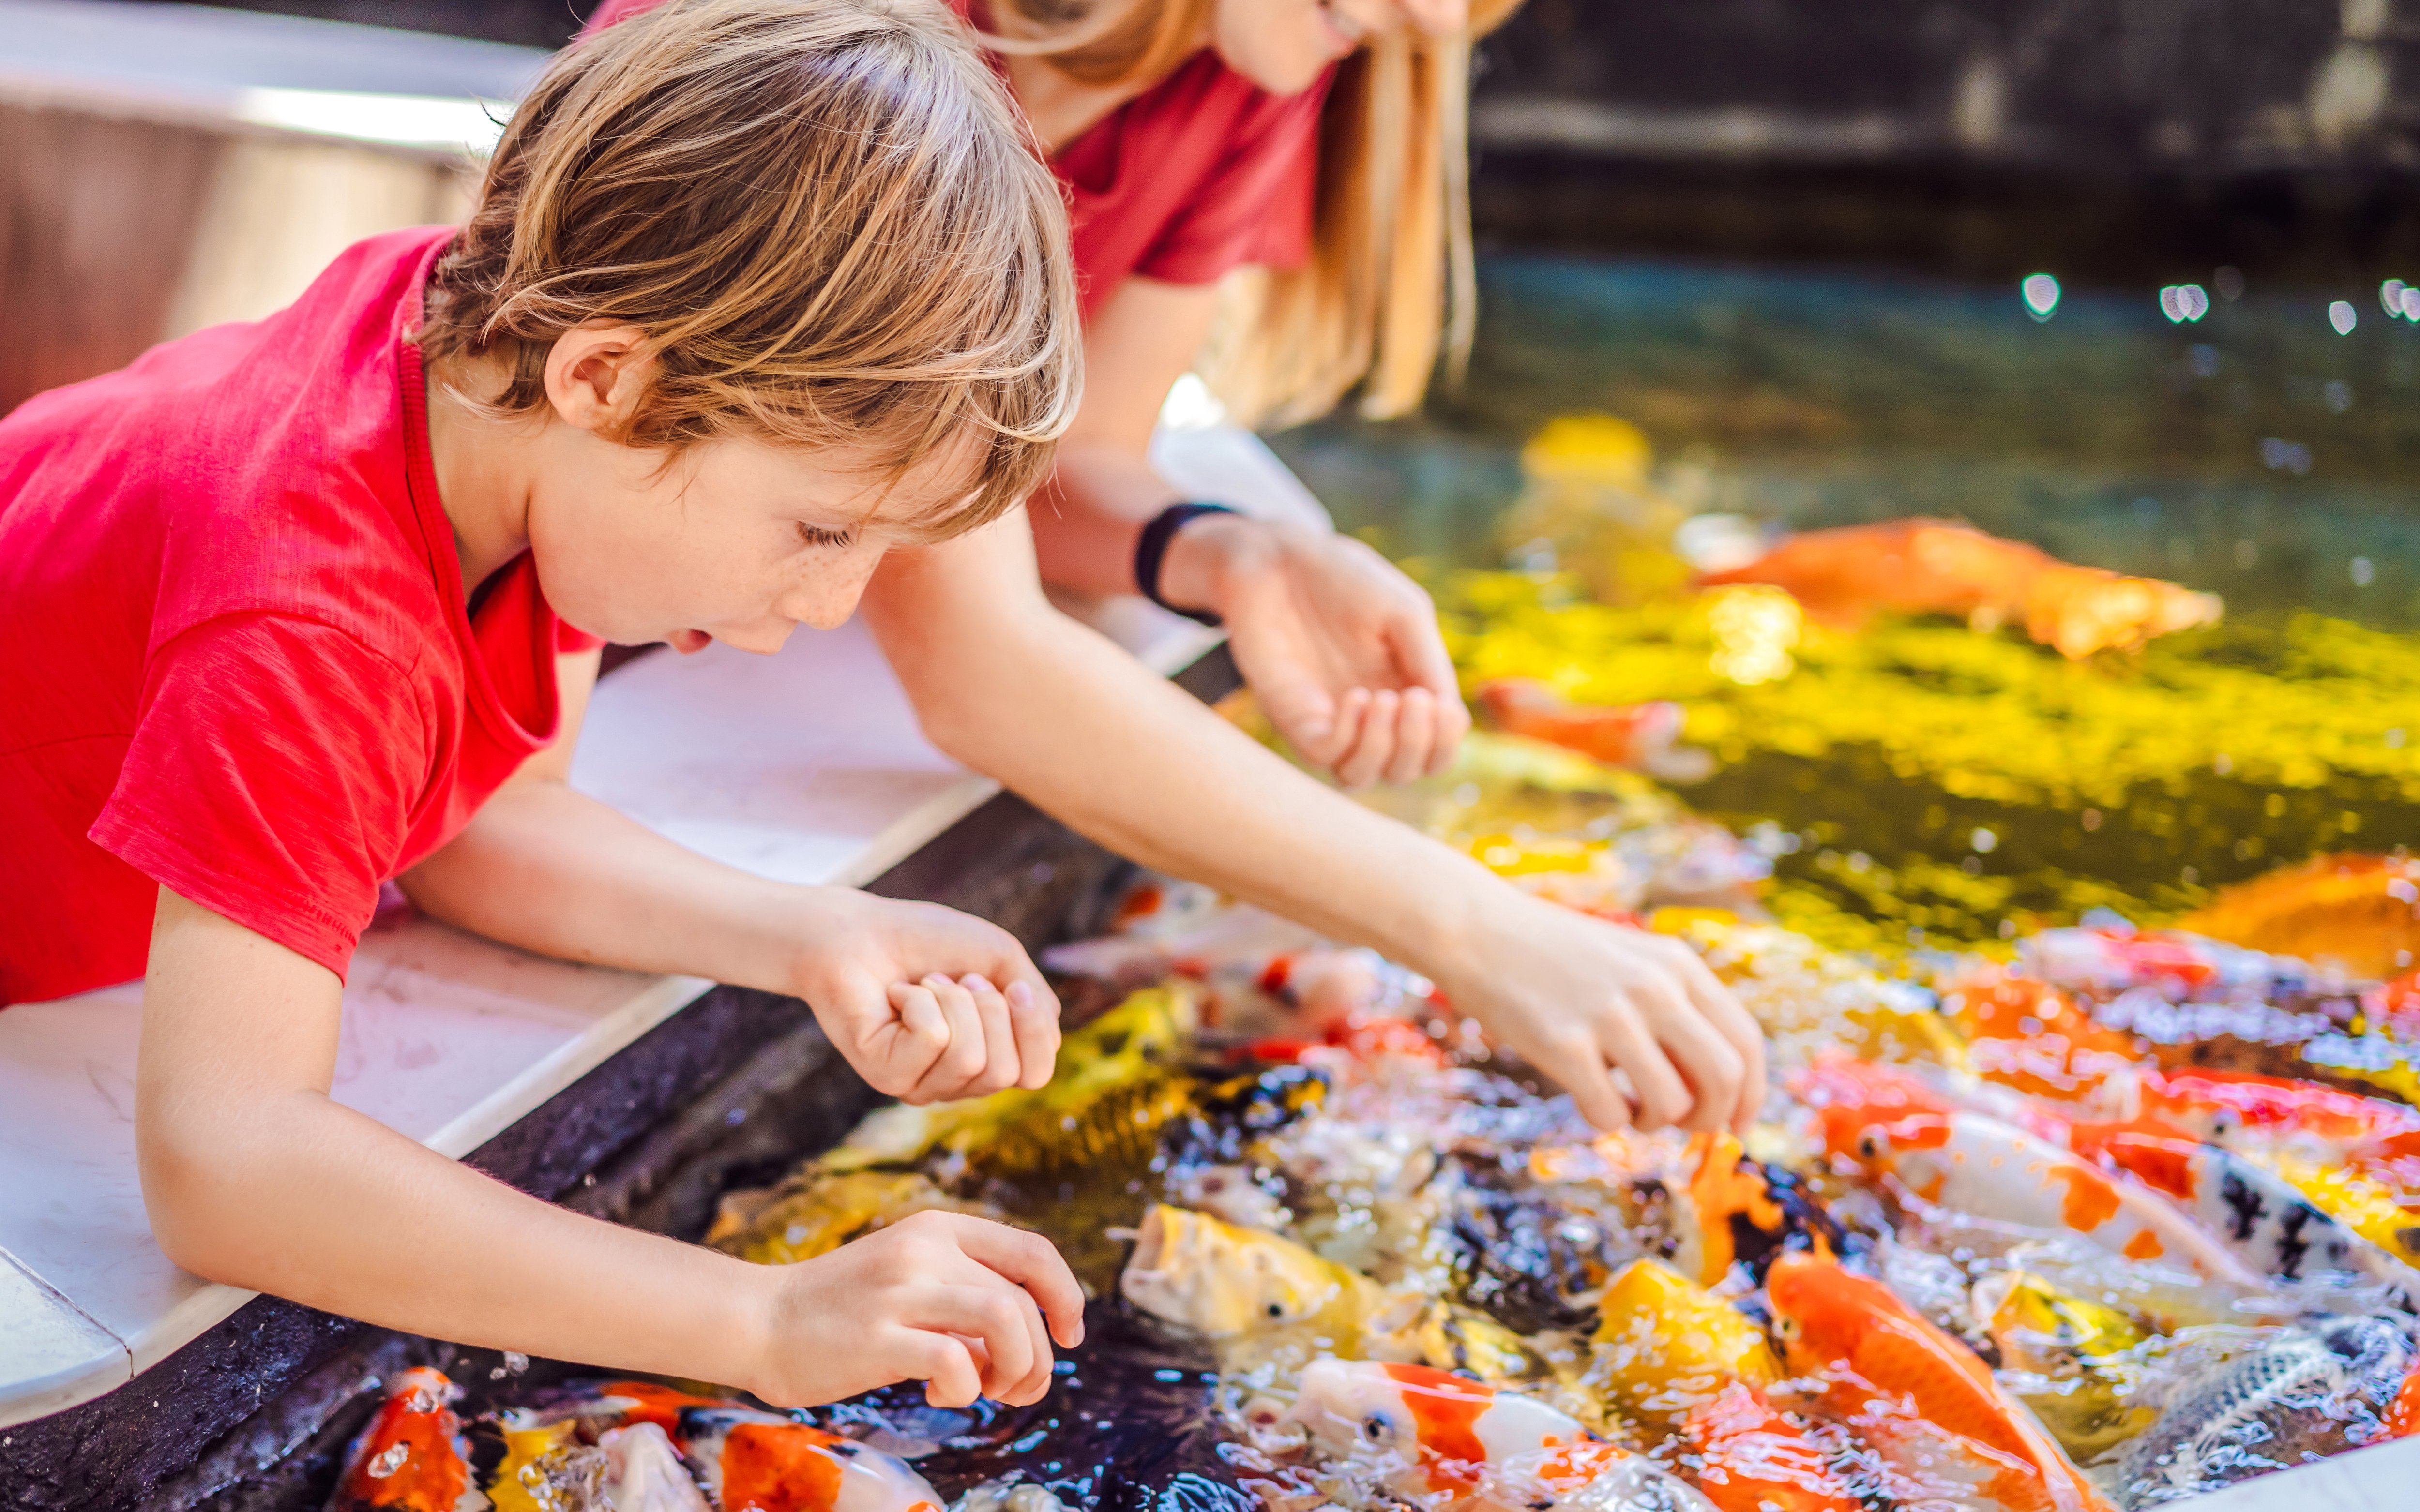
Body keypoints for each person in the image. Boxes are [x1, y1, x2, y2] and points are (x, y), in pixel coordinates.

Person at [3, 0, 1758, 1414]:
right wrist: (762, 1323)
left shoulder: (472, 388)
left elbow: (447, 817)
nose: (833, 609)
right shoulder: (305, 601)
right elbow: (229, 1159)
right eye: (820, 529)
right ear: (612, 380)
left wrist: (807, 930)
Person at [582, 0, 1520, 787]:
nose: (1438, 21)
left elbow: (1067, 459)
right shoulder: (845, 55)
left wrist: (1232, 554)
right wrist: (1470, 929)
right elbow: (979, 666)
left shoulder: (1256, 62)